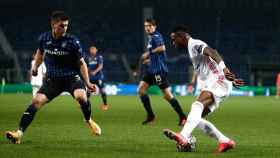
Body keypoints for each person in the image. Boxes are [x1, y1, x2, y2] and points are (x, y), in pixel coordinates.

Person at [5, 11, 101, 144]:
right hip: (53, 80)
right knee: (35, 102)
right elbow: (40, 53)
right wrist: (35, 68)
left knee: (81, 97)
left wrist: (88, 82)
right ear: (53, 25)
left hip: (71, 78)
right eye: (62, 25)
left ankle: (88, 120)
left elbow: (81, 63)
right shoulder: (44, 38)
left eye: (66, 25)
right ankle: (18, 134)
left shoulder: (73, 41)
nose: (65, 28)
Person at [163, 25, 244, 153]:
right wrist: (231, 79)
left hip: (218, 81)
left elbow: (213, 52)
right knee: (195, 118)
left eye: (174, 39)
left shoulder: (194, 44)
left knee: (197, 105)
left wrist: (225, 70)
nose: (173, 43)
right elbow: (211, 61)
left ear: (182, 36)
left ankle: (183, 136)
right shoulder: (191, 48)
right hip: (219, 82)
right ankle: (224, 141)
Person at [138, 19, 186, 126]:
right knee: (141, 90)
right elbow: (160, 56)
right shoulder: (151, 38)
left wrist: (148, 53)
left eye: (149, 26)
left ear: (154, 26)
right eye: (146, 26)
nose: (147, 28)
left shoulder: (156, 36)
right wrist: (150, 59)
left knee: (167, 95)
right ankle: (151, 116)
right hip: (151, 70)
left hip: (158, 71)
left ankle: (183, 117)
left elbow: (162, 48)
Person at [86, 46, 109, 110]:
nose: (92, 51)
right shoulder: (88, 58)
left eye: (93, 49)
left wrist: (95, 72)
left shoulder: (99, 57)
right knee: (88, 90)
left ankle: (105, 105)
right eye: (91, 49)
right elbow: (86, 66)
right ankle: (85, 104)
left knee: (102, 90)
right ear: (90, 51)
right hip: (90, 77)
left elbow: (101, 66)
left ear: (96, 50)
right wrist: (89, 71)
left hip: (99, 77)